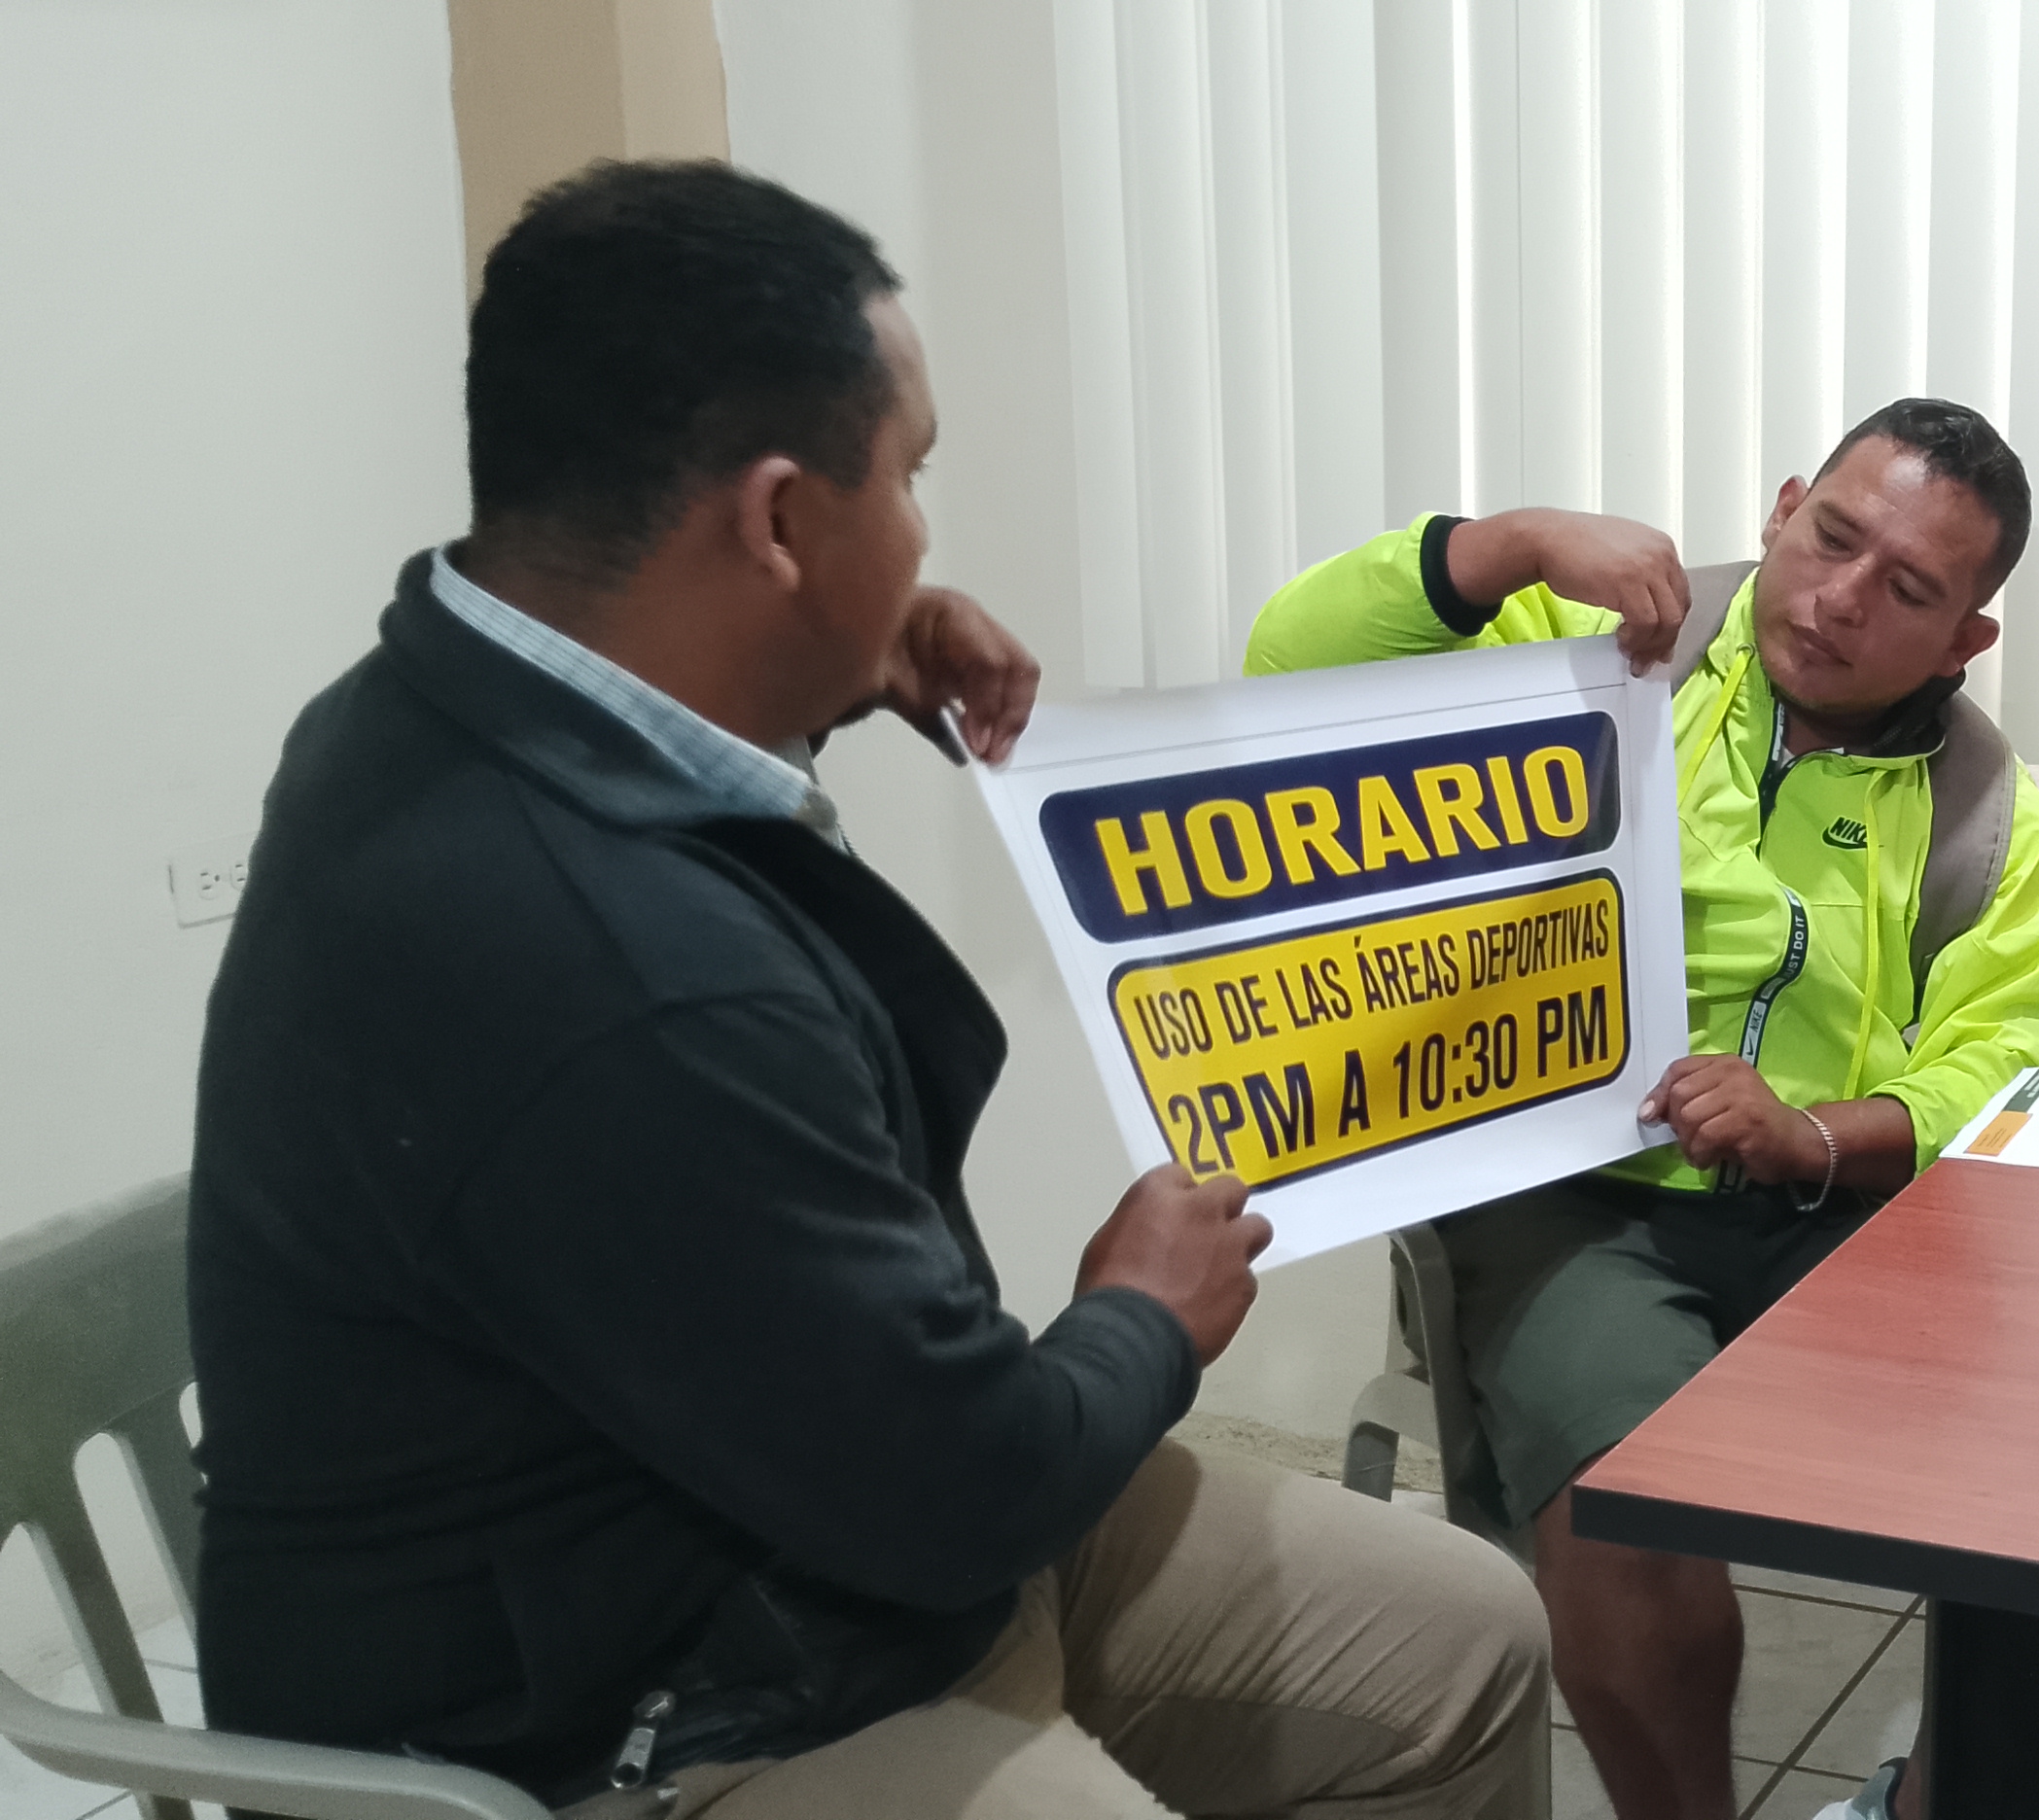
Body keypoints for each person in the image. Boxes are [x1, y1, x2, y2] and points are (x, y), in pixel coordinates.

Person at [190, 160, 1549, 1820]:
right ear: (776, 525)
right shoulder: (621, 971)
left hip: (784, 1523)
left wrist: (824, 657)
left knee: (1467, 1640)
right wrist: (1144, 1313)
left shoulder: (430, 705)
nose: (919, 532)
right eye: (907, 480)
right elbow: (965, 1492)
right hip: (625, 1709)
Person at [1246, 399, 2039, 1820]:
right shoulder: (1597, 647)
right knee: (1623, 1499)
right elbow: (1293, 666)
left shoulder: (1981, 805)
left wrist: (1823, 1133)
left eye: (1909, 591)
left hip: (1837, 1209)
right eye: (1833, 537)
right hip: (1576, 1198)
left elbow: (2010, 1059)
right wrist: (1505, 545)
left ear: (1966, 640)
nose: (1840, 599)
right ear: (1782, 507)